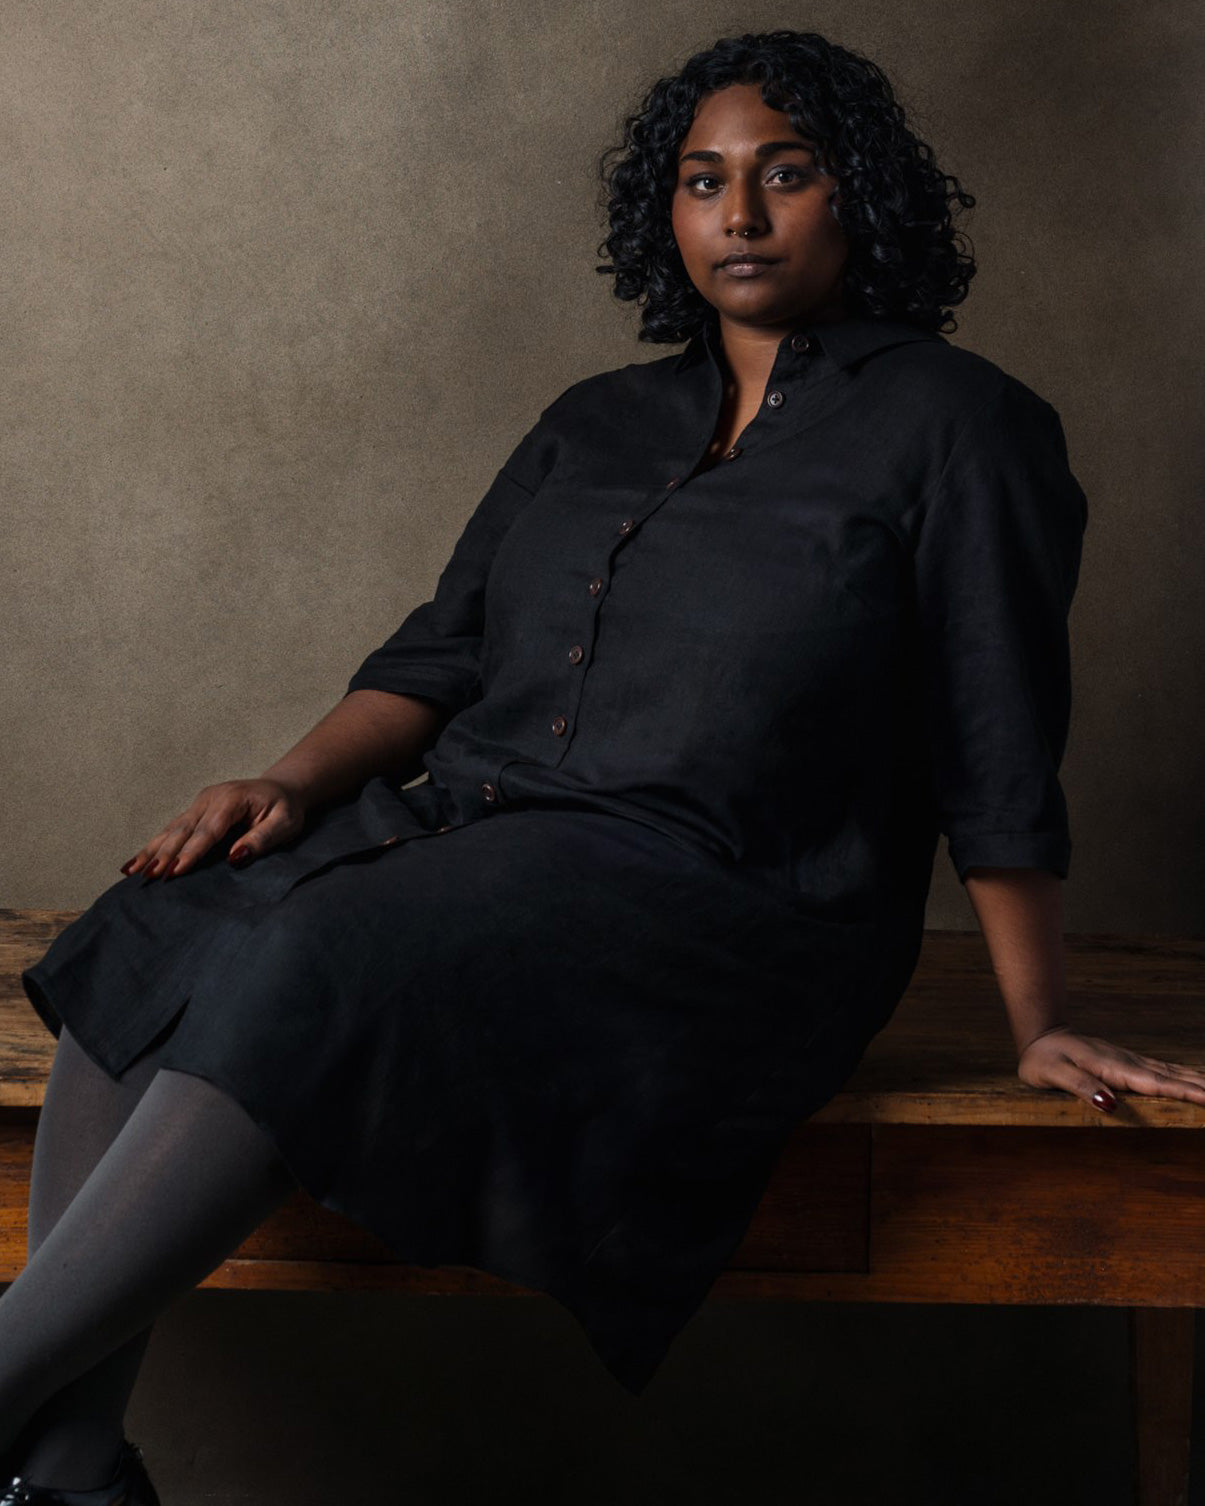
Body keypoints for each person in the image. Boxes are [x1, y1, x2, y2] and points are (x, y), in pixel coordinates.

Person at [7, 27, 1203, 1505]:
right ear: (668, 212)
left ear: (860, 198)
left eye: (784, 174)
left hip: (732, 908)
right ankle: (64, 1475)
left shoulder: (965, 428)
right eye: (703, 183)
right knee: (159, 923)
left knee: (318, 952)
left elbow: (996, 735)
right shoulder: (596, 420)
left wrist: (1040, 1018)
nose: (740, 216)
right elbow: (439, 654)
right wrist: (292, 781)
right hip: (477, 838)